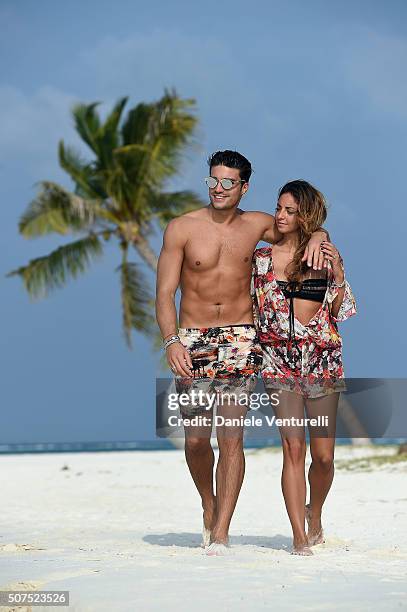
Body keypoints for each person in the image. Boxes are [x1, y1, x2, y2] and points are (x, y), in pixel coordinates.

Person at [156, 152, 328, 556]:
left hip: (241, 339)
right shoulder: (181, 228)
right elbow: (164, 293)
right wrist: (171, 341)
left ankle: (221, 530)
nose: (218, 188)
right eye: (213, 181)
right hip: (192, 338)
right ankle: (207, 501)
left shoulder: (257, 225)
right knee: (197, 440)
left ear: (244, 187)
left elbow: (304, 226)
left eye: (228, 182)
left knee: (231, 437)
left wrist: (321, 237)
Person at [251, 179, 357, 555]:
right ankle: (299, 536)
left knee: (323, 456)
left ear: (305, 215)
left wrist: (340, 279)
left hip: (322, 360)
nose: (279, 216)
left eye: (289, 211)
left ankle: (316, 512)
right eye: (278, 208)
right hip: (277, 362)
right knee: (292, 448)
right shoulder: (260, 260)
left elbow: (340, 312)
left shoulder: (326, 256)